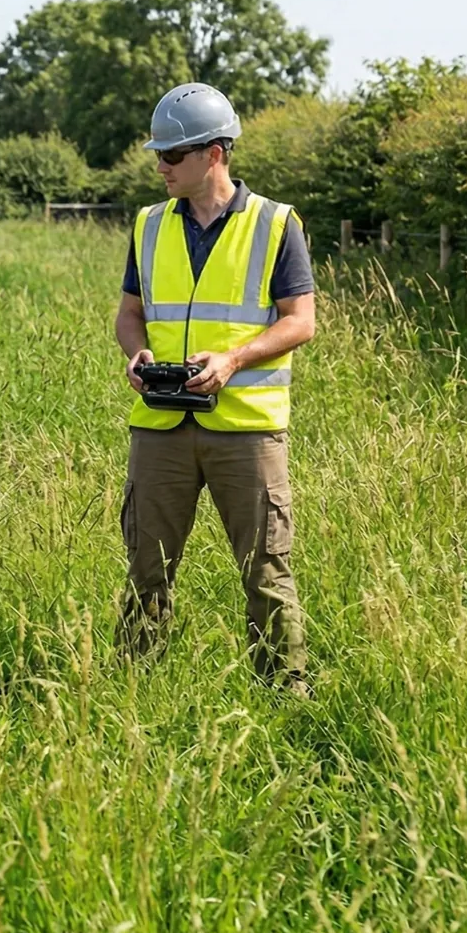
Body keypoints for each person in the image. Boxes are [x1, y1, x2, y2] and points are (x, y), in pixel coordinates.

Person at [115, 82, 316, 696]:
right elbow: (130, 314)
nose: (161, 166)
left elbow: (300, 320)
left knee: (266, 571)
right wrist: (137, 353)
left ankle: (286, 690)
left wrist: (232, 360)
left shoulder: (276, 224)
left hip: (246, 430)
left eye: (173, 155)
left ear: (216, 153)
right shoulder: (148, 225)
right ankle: (135, 687)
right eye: (160, 154)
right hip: (161, 427)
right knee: (146, 566)